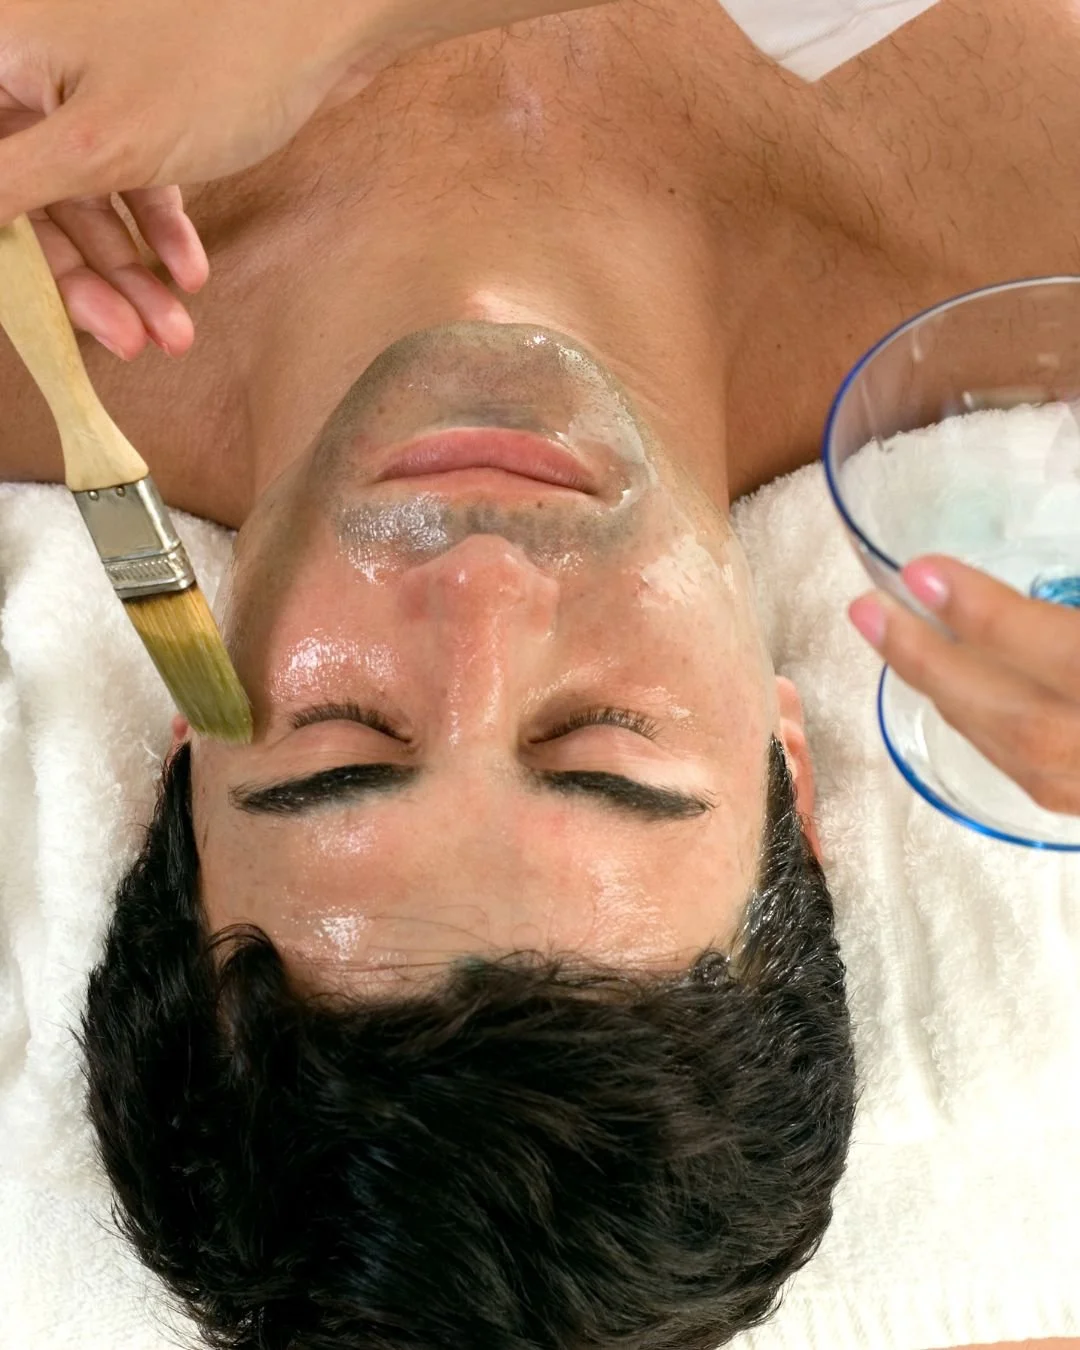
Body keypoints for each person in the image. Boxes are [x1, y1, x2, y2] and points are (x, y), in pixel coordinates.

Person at [0, 1, 1077, 1347]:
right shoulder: (1039, 220)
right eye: (602, 744)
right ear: (788, 772)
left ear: (180, 756)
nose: (484, 591)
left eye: (349, 738)